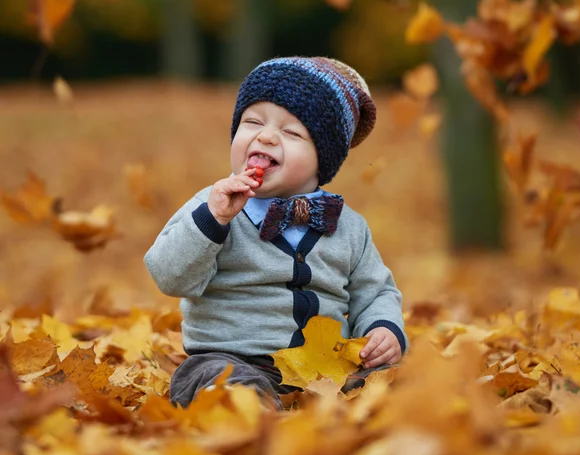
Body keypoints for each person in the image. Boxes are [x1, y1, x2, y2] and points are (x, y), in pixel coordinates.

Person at [144, 56, 408, 409]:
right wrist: (212, 221)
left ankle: (341, 418)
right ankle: (250, 417)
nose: (265, 136)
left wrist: (384, 330)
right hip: (234, 360)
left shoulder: (349, 227)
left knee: (390, 384)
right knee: (218, 381)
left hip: (326, 372)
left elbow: (375, 291)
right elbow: (168, 276)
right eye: (251, 122)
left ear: (323, 159)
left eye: (291, 132)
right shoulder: (212, 207)